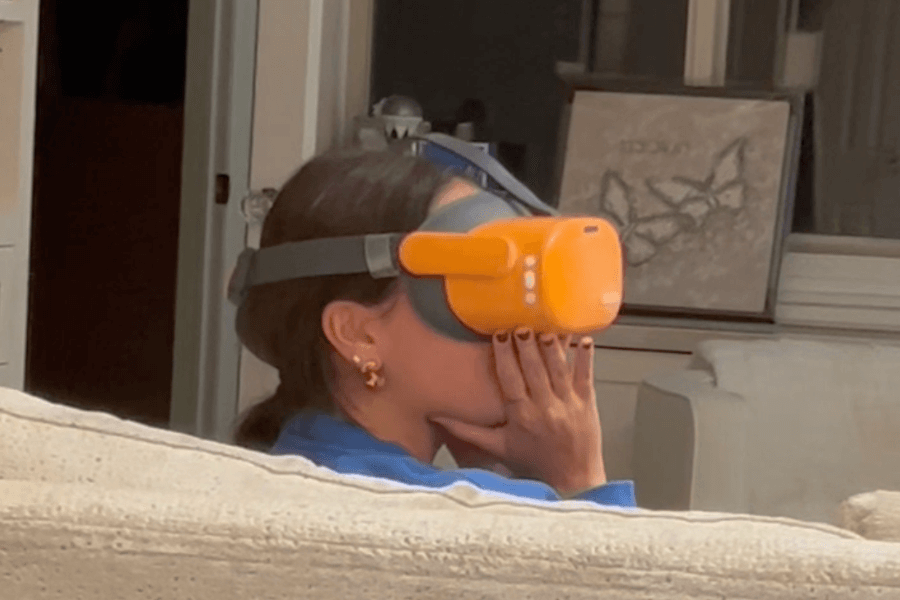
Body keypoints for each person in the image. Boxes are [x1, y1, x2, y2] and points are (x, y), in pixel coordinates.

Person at [232, 146, 635, 507]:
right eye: (480, 288)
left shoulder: (295, 461)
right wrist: (579, 481)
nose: (524, 328)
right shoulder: (458, 513)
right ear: (358, 334)